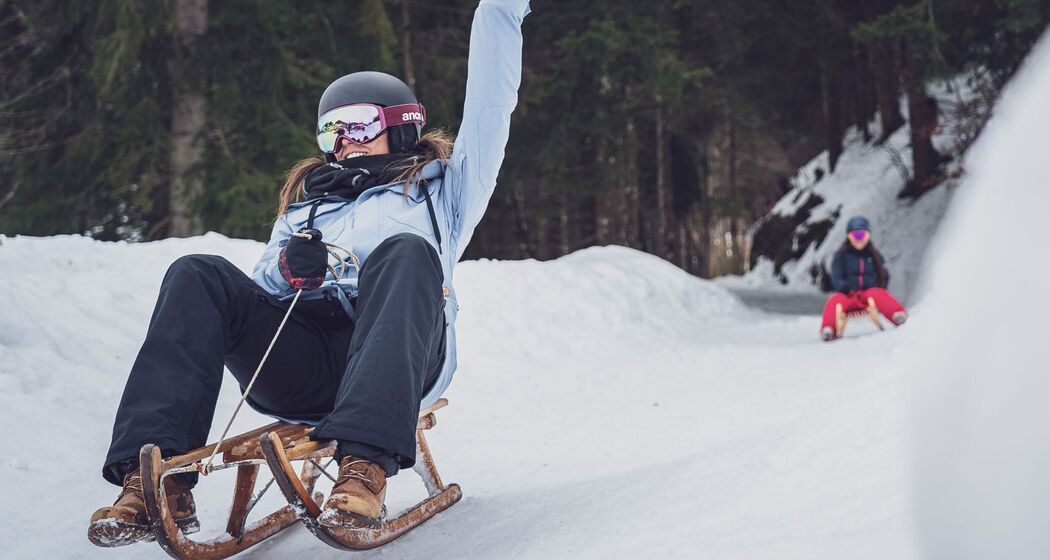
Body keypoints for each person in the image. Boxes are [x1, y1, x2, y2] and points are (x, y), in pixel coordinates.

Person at [88, 0, 531, 546]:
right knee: (197, 273)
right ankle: (155, 480)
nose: (345, 138)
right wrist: (288, 268)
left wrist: (501, 10)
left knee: (405, 252)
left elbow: (490, 104)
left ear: (401, 126)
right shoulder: (305, 210)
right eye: (331, 130)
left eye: (359, 123)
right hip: (306, 365)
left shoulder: (445, 192)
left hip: (401, 356)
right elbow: (259, 298)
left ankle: (363, 470)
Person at [819, 216, 907, 341]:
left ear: (868, 236)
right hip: (848, 295)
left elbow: (883, 273)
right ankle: (828, 329)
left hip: (867, 294)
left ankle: (897, 315)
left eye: (862, 235)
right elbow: (836, 275)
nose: (859, 239)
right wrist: (845, 288)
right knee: (834, 301)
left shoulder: (873, 255)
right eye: (855, 235)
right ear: (849, 237)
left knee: (879, 294)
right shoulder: (841, 255)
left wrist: (879, 287)